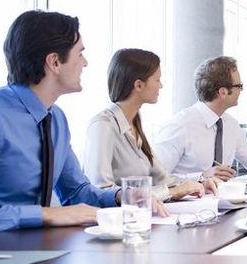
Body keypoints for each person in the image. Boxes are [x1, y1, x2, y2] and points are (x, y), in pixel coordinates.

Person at [0, 10, 120, 237]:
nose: (85, 63)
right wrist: (43, 214)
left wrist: (118, 197)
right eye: (80, 54)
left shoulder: (56, 119)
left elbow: (76, 192)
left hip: (36, 252)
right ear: (55, 61)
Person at [83, 49, 216, 204]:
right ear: (139, 85)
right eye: (157, 80)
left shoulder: (134, 124)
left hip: (140, 218)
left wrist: (199, 183)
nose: (161, 85)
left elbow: (163, 179)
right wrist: (172, 192)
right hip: (116, 223)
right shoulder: (102, 125)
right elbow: (101, 191)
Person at [154, 56, 247, 181]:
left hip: (224, 199)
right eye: (239, 86)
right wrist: (201, 177)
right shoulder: (179, 125)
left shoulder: (231, 125)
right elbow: (155, 178)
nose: (241, 90)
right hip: (186, 200)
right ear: (223, 92)